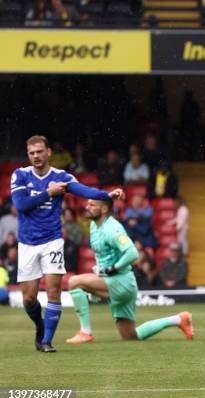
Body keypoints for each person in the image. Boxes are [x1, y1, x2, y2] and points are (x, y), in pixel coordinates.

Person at [10, 135, 124, 352]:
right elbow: (21, 205)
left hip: (52, 239)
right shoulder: (21, 175)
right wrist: (48, 193)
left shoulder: (61, 177)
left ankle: (46, 341)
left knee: (53, 290)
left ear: (48, 152)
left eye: (40, 152)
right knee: (29, 299)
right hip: (27, 243)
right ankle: (40, 326)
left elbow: (85, 191)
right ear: (28, 155)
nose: (36, 156)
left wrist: (106, 195)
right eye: (32, 153)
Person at [64, 198, 193, 344]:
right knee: (130, 336)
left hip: (121, 281)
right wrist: (99, 272)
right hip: (118, 283)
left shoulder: (113, 229)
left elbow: (132, 253)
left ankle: (85, 332)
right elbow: (102, 254)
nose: (87, 207)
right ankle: (179, 319)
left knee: (74, 282)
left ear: (104, 209)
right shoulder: (94, 225)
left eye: (92, 205)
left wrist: (113, 268)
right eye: (88, 204)